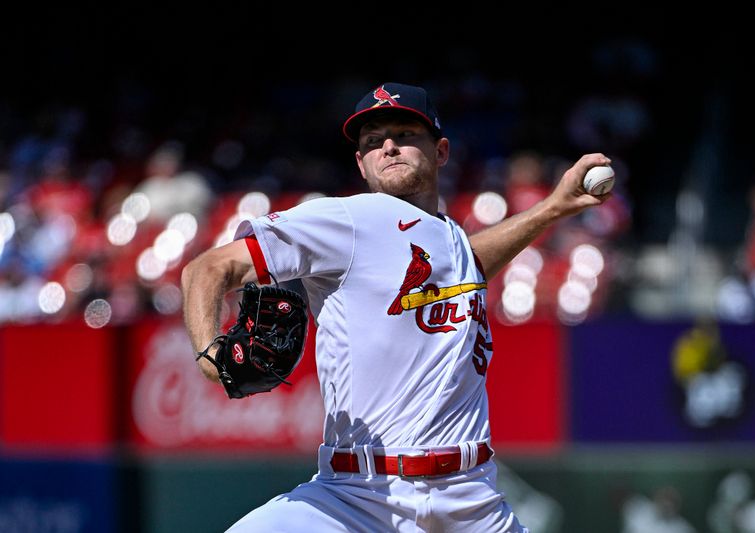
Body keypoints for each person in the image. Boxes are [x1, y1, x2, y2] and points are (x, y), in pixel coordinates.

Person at [181, 82, 612, 532]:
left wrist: (551, 209)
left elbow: (467, 263)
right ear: (361, 163)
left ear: (441, 151)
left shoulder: (449, 241)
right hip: (356, 496)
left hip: (472, 499)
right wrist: (211, 356)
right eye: (372, 141)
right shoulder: (347, 219)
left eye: (405, 134)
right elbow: (207, 270)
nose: (388, 146)